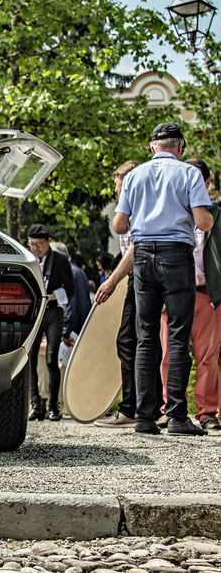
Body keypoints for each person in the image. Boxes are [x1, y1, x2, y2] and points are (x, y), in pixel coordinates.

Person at [113, 122, 212, 436]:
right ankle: (177, 417)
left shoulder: (135, 176)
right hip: (176, 255)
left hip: (142, 256)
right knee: (179, 337)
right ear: (180, 147)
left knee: (146, 338)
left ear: (151, 146)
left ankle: (144, 417)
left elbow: (118, 226)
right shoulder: (189, 174)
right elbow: (203, 222)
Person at [157, 159, 221, 430]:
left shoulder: (216, 215)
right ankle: (171, 409)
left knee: (208, 357)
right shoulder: (167, 212)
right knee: (170, 356)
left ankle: (207, 412)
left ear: (205, 184)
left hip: (207, 295)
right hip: (172, 296)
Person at [94, 161, 140, 428]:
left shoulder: (136, 208)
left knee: (128, 341)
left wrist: (111, 281)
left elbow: (133, 247)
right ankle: (147, 406)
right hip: (133, 276)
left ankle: (131, 408)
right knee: (141, 342)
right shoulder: (132, 207)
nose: (116, 191)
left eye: (118, 185)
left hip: (139, 276)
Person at [26, 224, 74, 421]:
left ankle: (54, 406)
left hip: (53, 311)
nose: (35, 249)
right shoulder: (28, 259)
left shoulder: (60, 261)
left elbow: (69, 289)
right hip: (34, 312)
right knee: (30, 358)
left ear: (48, 242)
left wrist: (49, 297)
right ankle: (36, 404)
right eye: (31, 245)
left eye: (38, 244)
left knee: (51, 358)